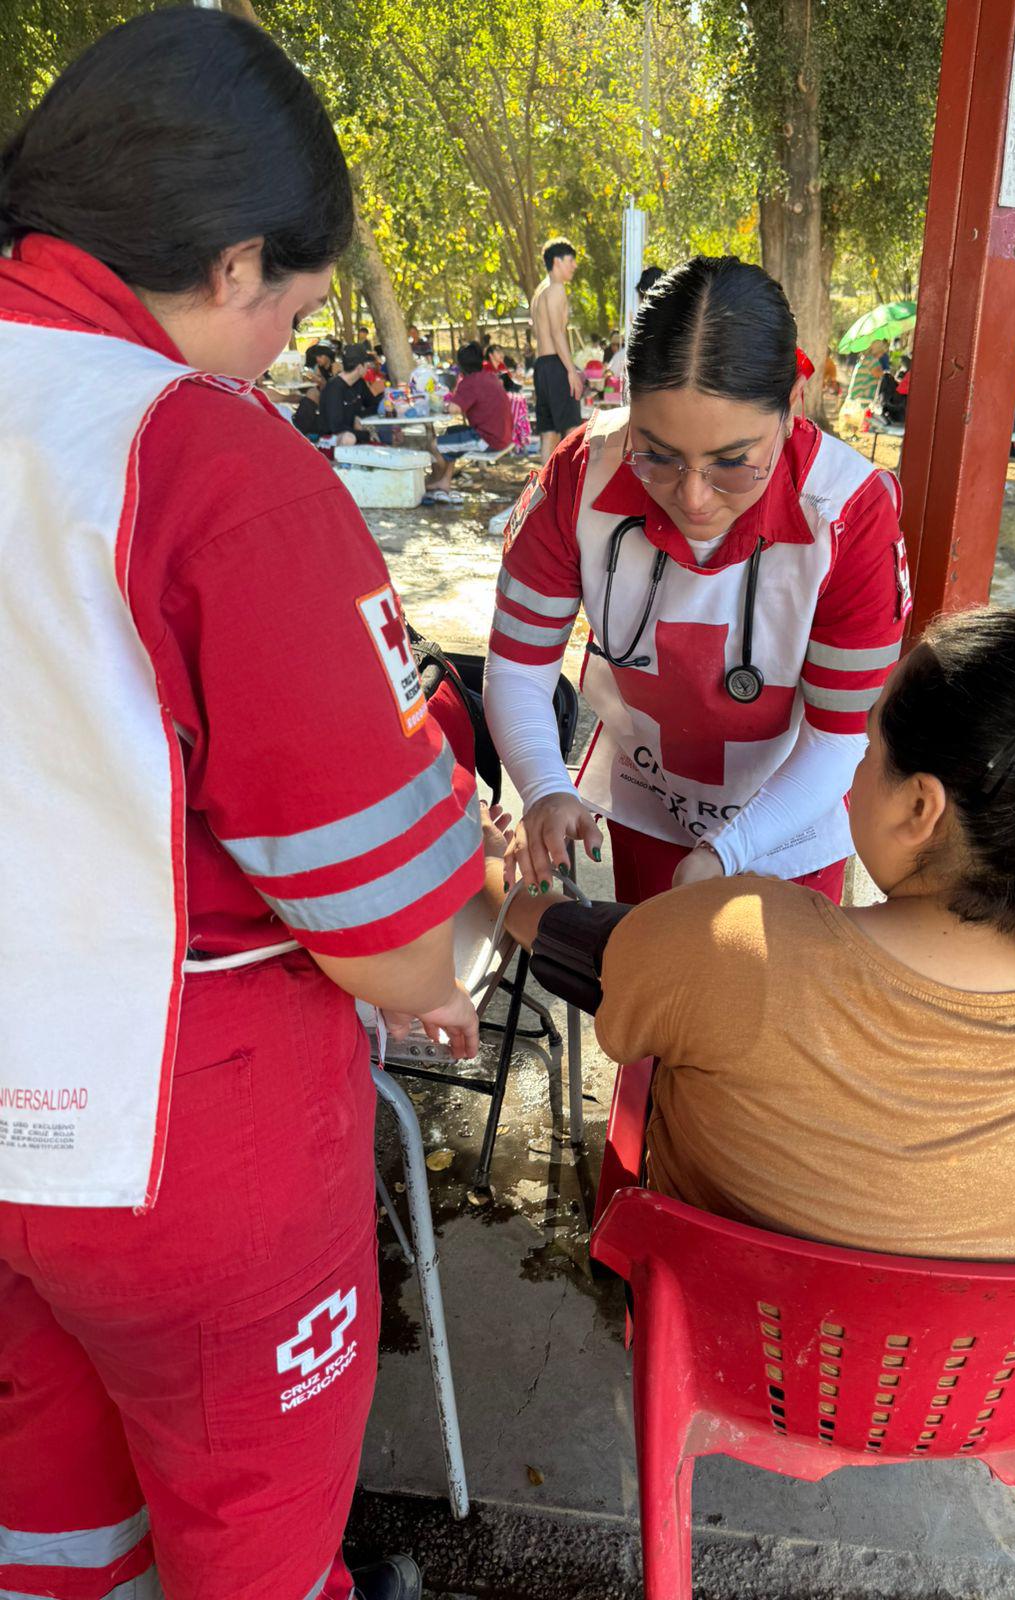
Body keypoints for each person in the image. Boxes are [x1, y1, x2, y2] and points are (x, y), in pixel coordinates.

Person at [0, 12, 484, 1600]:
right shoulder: (209, 463)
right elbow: (408, 951)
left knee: (51, 1530)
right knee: (250, 1547)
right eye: (295, 308)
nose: (285, 348)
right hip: (177, 1152)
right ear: (235, 265)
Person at [501, 608, 1015, 1260]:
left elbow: (571, 943)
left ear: (921, 806)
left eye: (866, 747)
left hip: (746, 1363)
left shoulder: (740, 947)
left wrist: (483, 862)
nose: (855, 770)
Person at [483, 255, 908, 907]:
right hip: (648, 805)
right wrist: (544, 788)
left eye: (733, 462)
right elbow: (517, 669)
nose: (694, 497)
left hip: (792, 824)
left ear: (792, 408)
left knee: (774, 1003)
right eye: (655, 453)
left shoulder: (851, 514)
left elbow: (839, 736)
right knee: (653, 996)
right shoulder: (576, 477)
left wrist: (728, 851)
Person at [530, 236, 583, 462]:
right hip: (555, 365)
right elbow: (556, 332)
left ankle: (543, 494)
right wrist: (571, 370)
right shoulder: (556, 289)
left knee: (548, 434)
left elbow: (538, 333)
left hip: (541, 366)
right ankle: (569, 493)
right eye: (571, 260)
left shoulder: (539, 293)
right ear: (557, 261)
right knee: (571, 432)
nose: (574, 266)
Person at [441, 339, 515, 456]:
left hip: (488, 440)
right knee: (449, 433)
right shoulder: (490, 377)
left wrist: (441, 405)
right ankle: (446, 475)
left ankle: (441, 475)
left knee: (434, 445)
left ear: (460, 364)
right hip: (504, 436)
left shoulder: (470, 382)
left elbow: (453, 409)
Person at [317, 339, 385, 442]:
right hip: (333, 439)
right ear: (359, 367)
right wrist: (366, 435)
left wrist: (358, 416)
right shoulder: (334, 388)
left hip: (354, 432)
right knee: (348, 438)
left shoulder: (359, 382)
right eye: (366, 364)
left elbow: (373, 404)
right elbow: (335, 426)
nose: (368, 368)